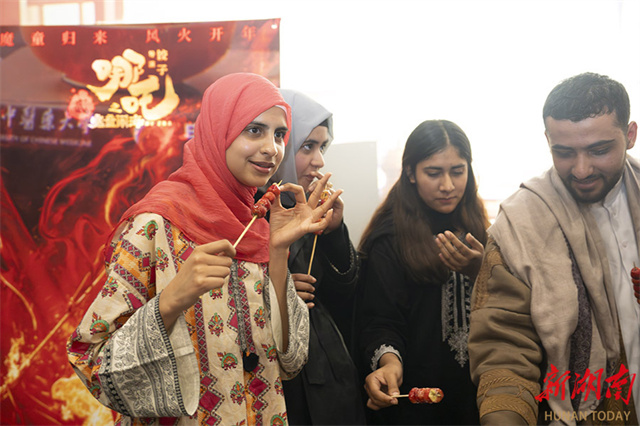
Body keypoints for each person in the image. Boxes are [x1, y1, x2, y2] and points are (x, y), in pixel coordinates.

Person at [66, 73, 342, 425]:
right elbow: (93, 360)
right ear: (218, 130)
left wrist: (277, 254)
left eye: (279, 135)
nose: (272, 148)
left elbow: (290, 362)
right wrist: (171, 300)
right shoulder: (157, 223)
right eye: (254, 130)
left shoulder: (259, 226)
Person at [468, 72, 639, 425]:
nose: (581, 170)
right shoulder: (520, 224)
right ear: (548, 140)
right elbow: (504, 346)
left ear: (630, 135)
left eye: (599, 150)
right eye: (564, 153)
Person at [354, 119, 489, 425]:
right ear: (411, 172)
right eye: (434, 173)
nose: (448, 185)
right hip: (417, 401)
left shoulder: (481, 230)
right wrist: (389, 363)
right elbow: (380, 321)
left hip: (479, 396)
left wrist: (481, 272)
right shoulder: (389, 240)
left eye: (458, 171)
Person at [255, 89, 365, 425]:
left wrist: (335, 232)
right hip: (272, 379)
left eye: (322, 147)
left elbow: (348, 298)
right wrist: (280, 288)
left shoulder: (311, 208)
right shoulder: (247, 211)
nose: (319, 161)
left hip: (327, 374)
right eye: (307, 147)